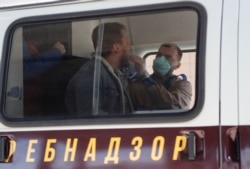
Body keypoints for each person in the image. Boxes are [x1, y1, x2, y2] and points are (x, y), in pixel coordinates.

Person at [65, 22, 133, 116]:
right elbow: (90, 117)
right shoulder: (91, 74)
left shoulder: (114, 72)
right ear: (116, 47)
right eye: (126, 41)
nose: (129, 46)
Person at [129, 43, 192, 110]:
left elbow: (173, 106)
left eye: (168, 57)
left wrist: (145, 77)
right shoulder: (138, 84)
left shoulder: (183, 85)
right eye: (159, 55)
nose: (161, 59)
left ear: (177, 66)